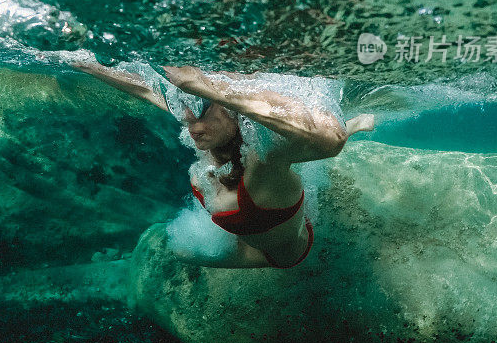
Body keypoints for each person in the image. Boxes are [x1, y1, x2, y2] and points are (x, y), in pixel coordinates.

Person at [71, 59, 374, 269]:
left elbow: (330, 142)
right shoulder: (201, 127)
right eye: (183, 105)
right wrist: (84, 63)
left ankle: (354, 123)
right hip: (251, 232)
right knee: (181, 249)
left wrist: (210, 90)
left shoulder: (263, 161)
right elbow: (145, 89)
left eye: (201, 107)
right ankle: (355, 123)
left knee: (180, 250)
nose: (191, 122)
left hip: (282, 255)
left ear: (231, 110)